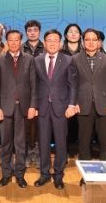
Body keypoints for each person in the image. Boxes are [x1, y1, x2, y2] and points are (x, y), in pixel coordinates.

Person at [0, 29, 37, 188]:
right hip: (5, 108)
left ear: (20, 41)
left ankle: (20, 175)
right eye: (10, 40)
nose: (13, 42)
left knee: (21, 144)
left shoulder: (29, 59)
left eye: (16, 39)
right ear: (7, 41)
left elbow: (33, 85)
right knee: (5, 144)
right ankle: (5, 174)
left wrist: (33, 106)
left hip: (23, 108)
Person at [34, 29, 77, 190]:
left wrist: (71, 105)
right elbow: (34, 85)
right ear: (44, 43)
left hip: (61, 108)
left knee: (60, 142)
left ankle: (58, 175)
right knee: (43, 142)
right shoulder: (37, 60)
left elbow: (73, 85)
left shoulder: (68, 60)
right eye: (49, 40)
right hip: (42, 108)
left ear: (60, 43)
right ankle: (44, 174)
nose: (52, 43)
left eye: (55, 40)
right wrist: (34, 105)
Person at [73, 29, 106, 161]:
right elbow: (72, 84)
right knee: (84, 141)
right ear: (83, 42)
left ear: (98, 42)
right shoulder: (75, 59)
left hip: (103, 105)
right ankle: (84, 170)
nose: (91, 42)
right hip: (83, 104)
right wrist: (74, 103)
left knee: (105, 141)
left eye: (94, 40)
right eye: (87, 39)